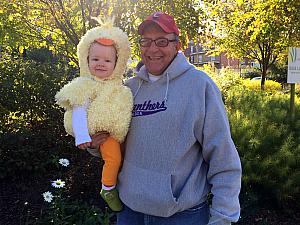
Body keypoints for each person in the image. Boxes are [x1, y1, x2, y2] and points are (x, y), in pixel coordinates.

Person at [91, 12, 242, 225]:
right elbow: (115, 146)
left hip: (182, 217)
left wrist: (223, 218)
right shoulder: (127, 89)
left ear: (177, 45)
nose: (153, 49)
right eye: (146, 41)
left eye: (162, 41)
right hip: (129, 213)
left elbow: (223, 158)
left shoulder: (200, 87)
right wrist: (94, 143)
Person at [55, 17, 133, 212]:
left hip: (114, 133)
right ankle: (108, 188)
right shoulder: (85, 85)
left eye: (107, 60)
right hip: (101, 133)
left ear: (117, 63)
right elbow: (79, 111)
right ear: (86, 60)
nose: (101, 64)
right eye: (95, 59)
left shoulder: (118, 87)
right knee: (113, 159)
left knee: (118, 159)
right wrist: (82, 136)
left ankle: (111, 185)